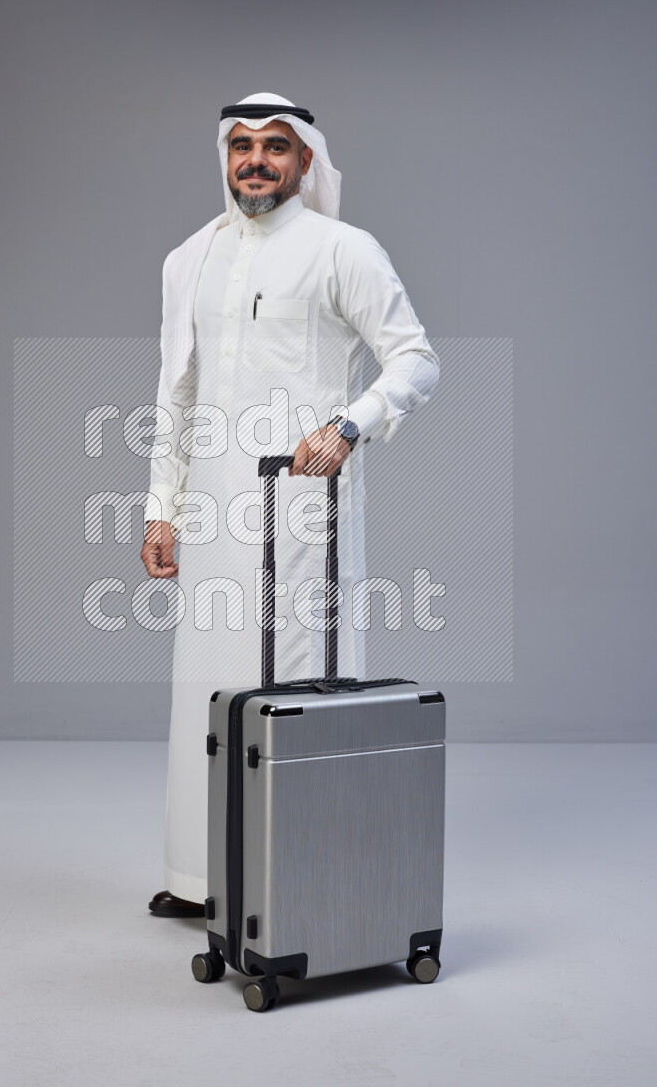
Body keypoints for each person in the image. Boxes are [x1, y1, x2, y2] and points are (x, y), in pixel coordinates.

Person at [141, 93, 439, 917]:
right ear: (225, 157)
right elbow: (178, 392)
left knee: (296, 682)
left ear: (306, 160)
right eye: (242, 146)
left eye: (276, 146)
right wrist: (160, 508)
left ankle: (294, 884)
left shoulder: (341, 249)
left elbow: (415, 361)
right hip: (211, 513)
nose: (257, 161)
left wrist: (352, 425)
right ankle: (207, 881)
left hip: (303, 506)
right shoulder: (188, 258)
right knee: (205, 688)